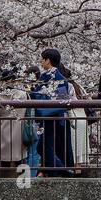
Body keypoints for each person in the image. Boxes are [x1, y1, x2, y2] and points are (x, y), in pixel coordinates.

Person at [32, 48, 72, 176]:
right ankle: (56, 171)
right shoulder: (55, 77)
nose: (41, 62)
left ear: (48, 60)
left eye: (42, 59)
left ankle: (63, 171)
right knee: (46, 146)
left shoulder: (53, 78)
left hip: (51, 117)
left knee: (44, 146)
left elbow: (63, 101)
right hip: (51, 117)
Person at [0, 67, 31, 177]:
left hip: (2, 132)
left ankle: (1, 181)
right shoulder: (24, 95)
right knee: (19, 158)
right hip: (19, 132)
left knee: (1, 159)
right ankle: (22, 181)